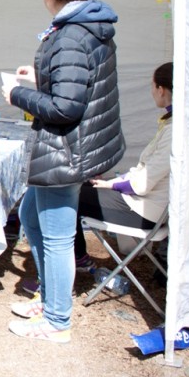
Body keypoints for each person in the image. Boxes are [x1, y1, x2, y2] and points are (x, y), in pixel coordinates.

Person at [2, 0, 125, 343]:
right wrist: (40, 76)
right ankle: (51, 296)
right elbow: (77, 84)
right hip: (69, 146)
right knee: (29, 216)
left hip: (66, 150)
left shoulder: (72, 34)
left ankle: (57, 320)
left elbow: (66, 107)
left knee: (55, 236)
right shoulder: (86, 26)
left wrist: (18, 94)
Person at [75, 62, 173, 264]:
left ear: (161, 90)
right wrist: (114, 181)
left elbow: (143, 183)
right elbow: (146, 172)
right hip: (146, 205)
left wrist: (112, 184)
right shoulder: (174, 125)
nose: (152, 91)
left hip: (144, 211)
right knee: (79, 187)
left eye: (153, 86)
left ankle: (75, 258)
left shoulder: (175, 131)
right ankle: (78, 256)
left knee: (67, 195)